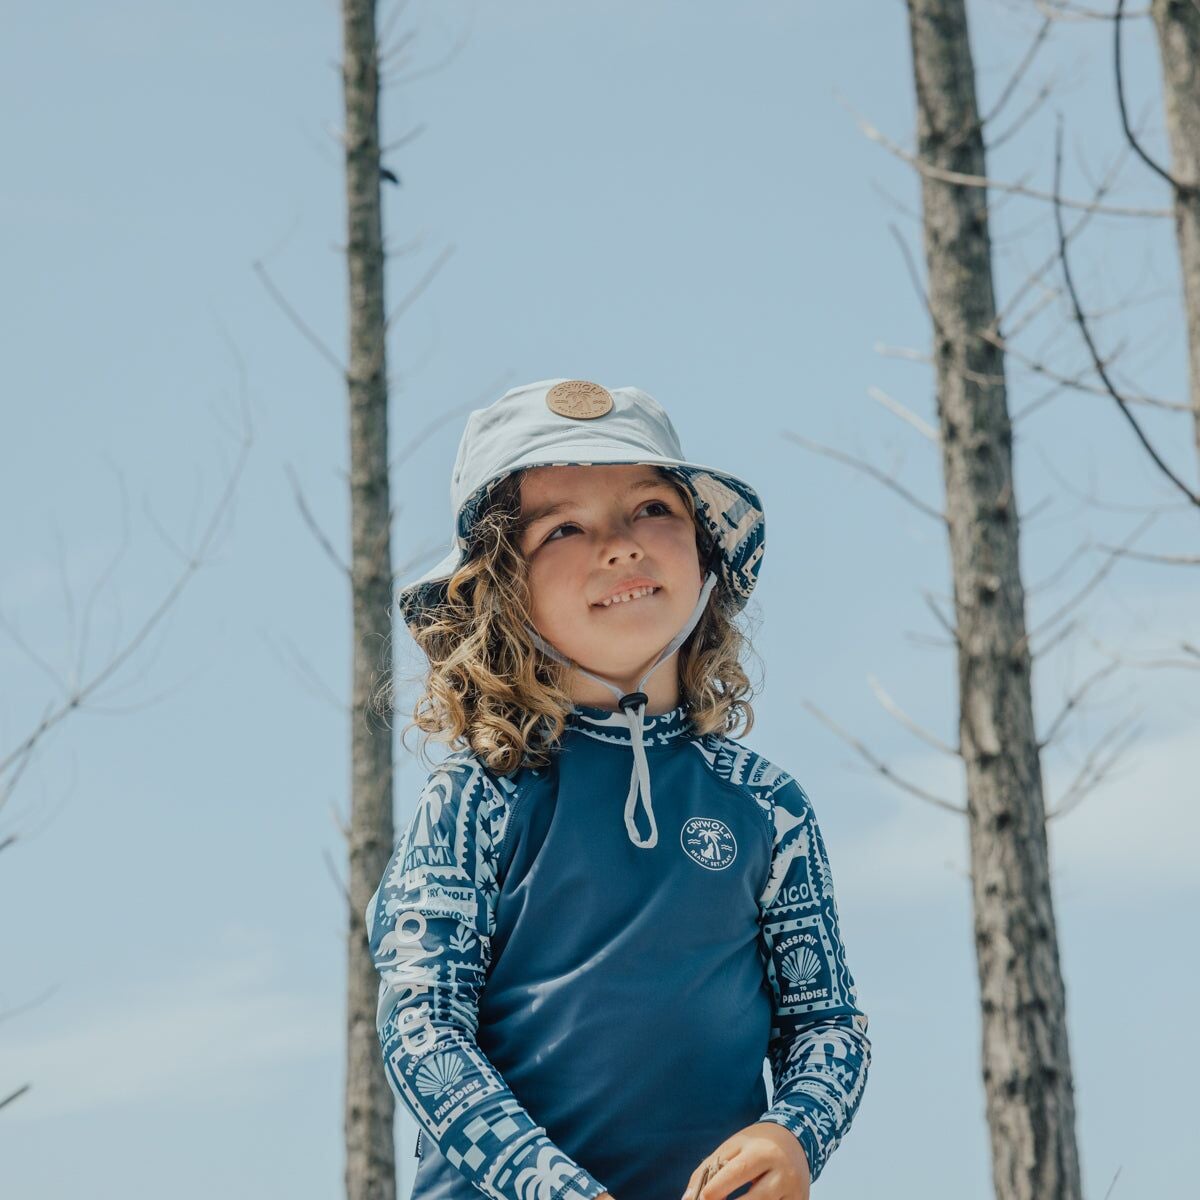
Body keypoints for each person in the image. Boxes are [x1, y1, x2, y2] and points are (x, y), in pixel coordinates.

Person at [364, 379, 871, 1200]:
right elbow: (423, 1032)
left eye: (652, 508)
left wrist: (793, 1133)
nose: (621, 546)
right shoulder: (474, 802)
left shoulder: (767, 806)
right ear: (500, 592)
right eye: (564, 528)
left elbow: (826, 1025)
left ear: (706, 554)